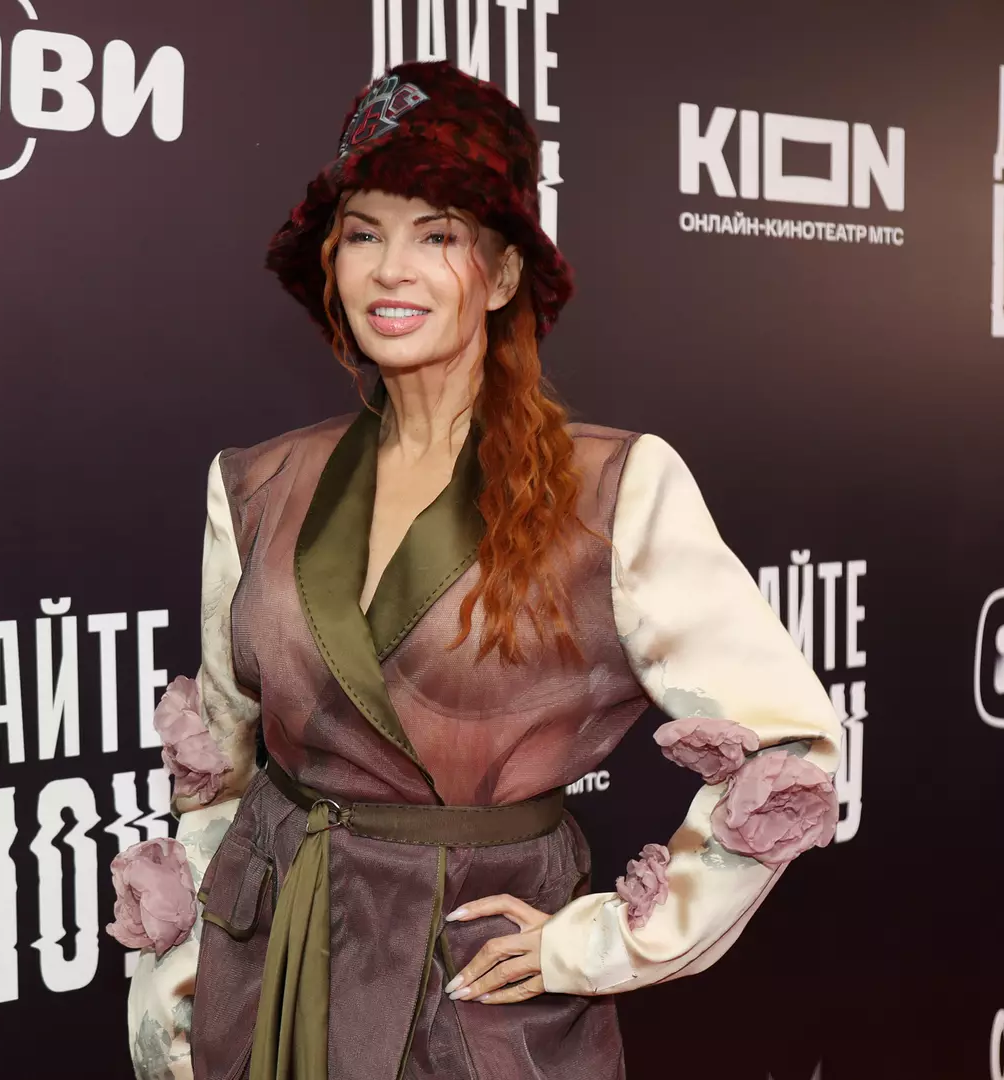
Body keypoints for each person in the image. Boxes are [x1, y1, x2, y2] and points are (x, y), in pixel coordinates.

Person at [109, 60, 842, 1080]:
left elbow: (791, 748)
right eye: (363, 234)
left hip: (473, 1011)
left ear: (500, 277)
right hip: (271, 979)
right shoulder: (257, 484)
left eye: (437, 235)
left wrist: (603, 942)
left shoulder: (613, 488)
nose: (390, 270)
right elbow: (221, 775)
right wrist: (178, 993)